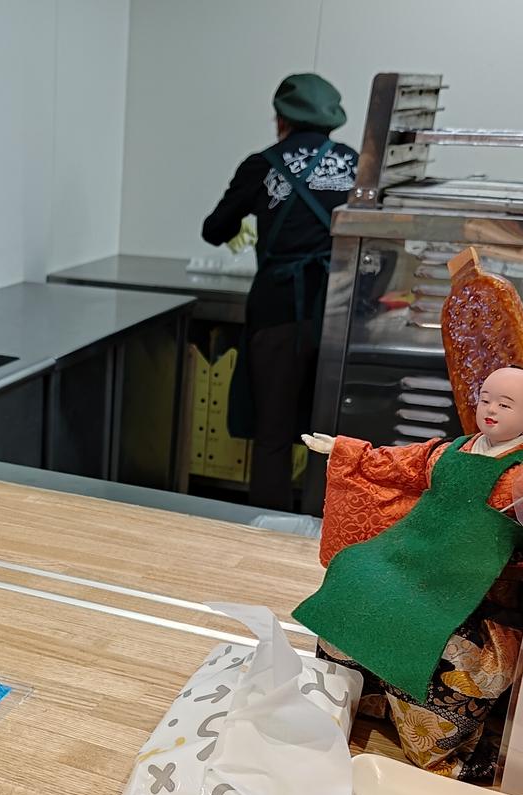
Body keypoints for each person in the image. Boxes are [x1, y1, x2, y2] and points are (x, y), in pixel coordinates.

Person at [293, 366, 523, 780]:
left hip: (472, 574)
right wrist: (344, 449)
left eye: (505, 404)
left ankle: (431, 738)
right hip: (412, 548)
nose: (490, 410)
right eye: (486, 399)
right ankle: (358, 698)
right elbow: (395, 463)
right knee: (354, 572)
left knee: (430, 623)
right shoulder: (449, 450)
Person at [201, 73, 357, 510]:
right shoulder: (355, 164)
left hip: (278, 312)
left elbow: (215, 230)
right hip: (341, 314)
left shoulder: (263, 164)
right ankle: (323, 523)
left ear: (281, 119)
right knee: (331, 434)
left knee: (272, 430)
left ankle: (268, 527)